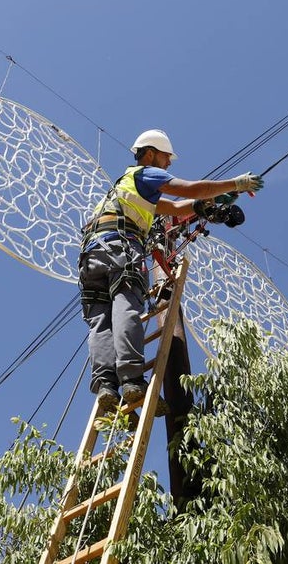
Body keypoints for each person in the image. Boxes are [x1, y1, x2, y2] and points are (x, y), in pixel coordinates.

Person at [78, 128, 264, 415]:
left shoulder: (123, 189)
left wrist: (212, 204)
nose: (168, 164)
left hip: (91, 257)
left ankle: (106, 386)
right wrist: (235, 184)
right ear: (150, 154)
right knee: (127, 307)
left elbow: (178, 208)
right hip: (120, 248)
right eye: (166, 158)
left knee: (101, 322)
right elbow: (190, 190)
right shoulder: (144, 175)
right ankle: (131, 382)